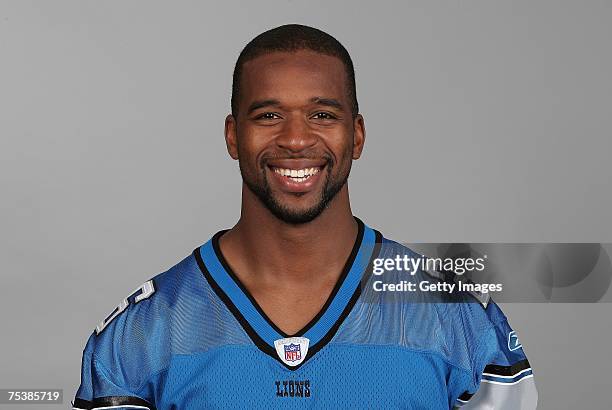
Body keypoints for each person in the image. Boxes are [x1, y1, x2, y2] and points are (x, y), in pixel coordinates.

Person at [73, 24, 537, 409]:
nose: (296, 139)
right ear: (233, 136)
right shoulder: (141, 336)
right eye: (269, 115)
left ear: (356, 135)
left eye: (322, 115)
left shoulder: (453, 318)